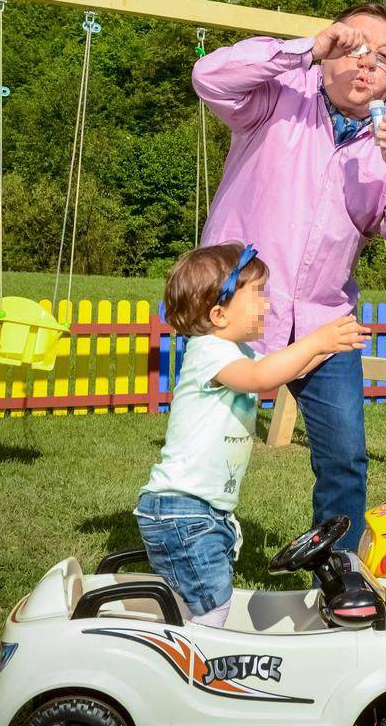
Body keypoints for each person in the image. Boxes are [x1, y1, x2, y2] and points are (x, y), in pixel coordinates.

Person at [192, 1, 386, 549]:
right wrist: (304, 46)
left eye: (385, 58)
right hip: (235, 309)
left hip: (325, 322)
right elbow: (207, 75)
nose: (368, 65)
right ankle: (192, 549)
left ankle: (339, 573)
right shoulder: (276, 98)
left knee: (345, 458)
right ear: (328, 53)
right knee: (208, 447)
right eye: (356, 49)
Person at [134, 241, 369, 627]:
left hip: (201, 513)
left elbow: (284, 370)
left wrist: (329, 348)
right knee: (213, 609)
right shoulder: (209, 351)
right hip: (183, 511)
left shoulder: (235, 351)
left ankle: (187, 662)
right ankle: (203, 675)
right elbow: (262, 378)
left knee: (202, 602)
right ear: (218, 313)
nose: (267, 305)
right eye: (258, 294)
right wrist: (317, 340)